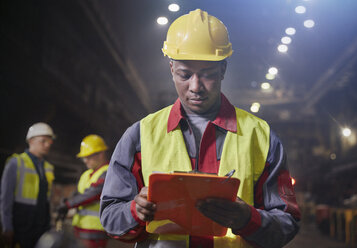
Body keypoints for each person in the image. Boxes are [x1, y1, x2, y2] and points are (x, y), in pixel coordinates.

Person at [100, 9, 301, 248]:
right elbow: (110, 216)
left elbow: (287, 221)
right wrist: (135, 210)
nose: (196, 87)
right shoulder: (140, 135)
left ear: (223, 71)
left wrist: (247, 219)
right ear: (171, 69)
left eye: (207, 75)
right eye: (185, 74)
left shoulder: (261, 137)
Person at [0, 122, 56, 248]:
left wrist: (50, 225)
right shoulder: (16, 163)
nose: (47, 145)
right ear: (31, 141)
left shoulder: (48, 167)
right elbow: (5, 198)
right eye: (43, 141)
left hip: (41, 226)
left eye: (49, 142)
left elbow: (48, 199)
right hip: (21, 225)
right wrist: (7, 226)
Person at [57, 134, 109, 248]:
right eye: (83, 157)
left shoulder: (108, 172)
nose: (85, 161)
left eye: (88, 157)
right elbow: (77, 192)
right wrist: (67, 201)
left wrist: (67, 204)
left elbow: (92, 194)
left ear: (101, 154)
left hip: (95, 230)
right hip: (79, 227)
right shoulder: (86, 174)